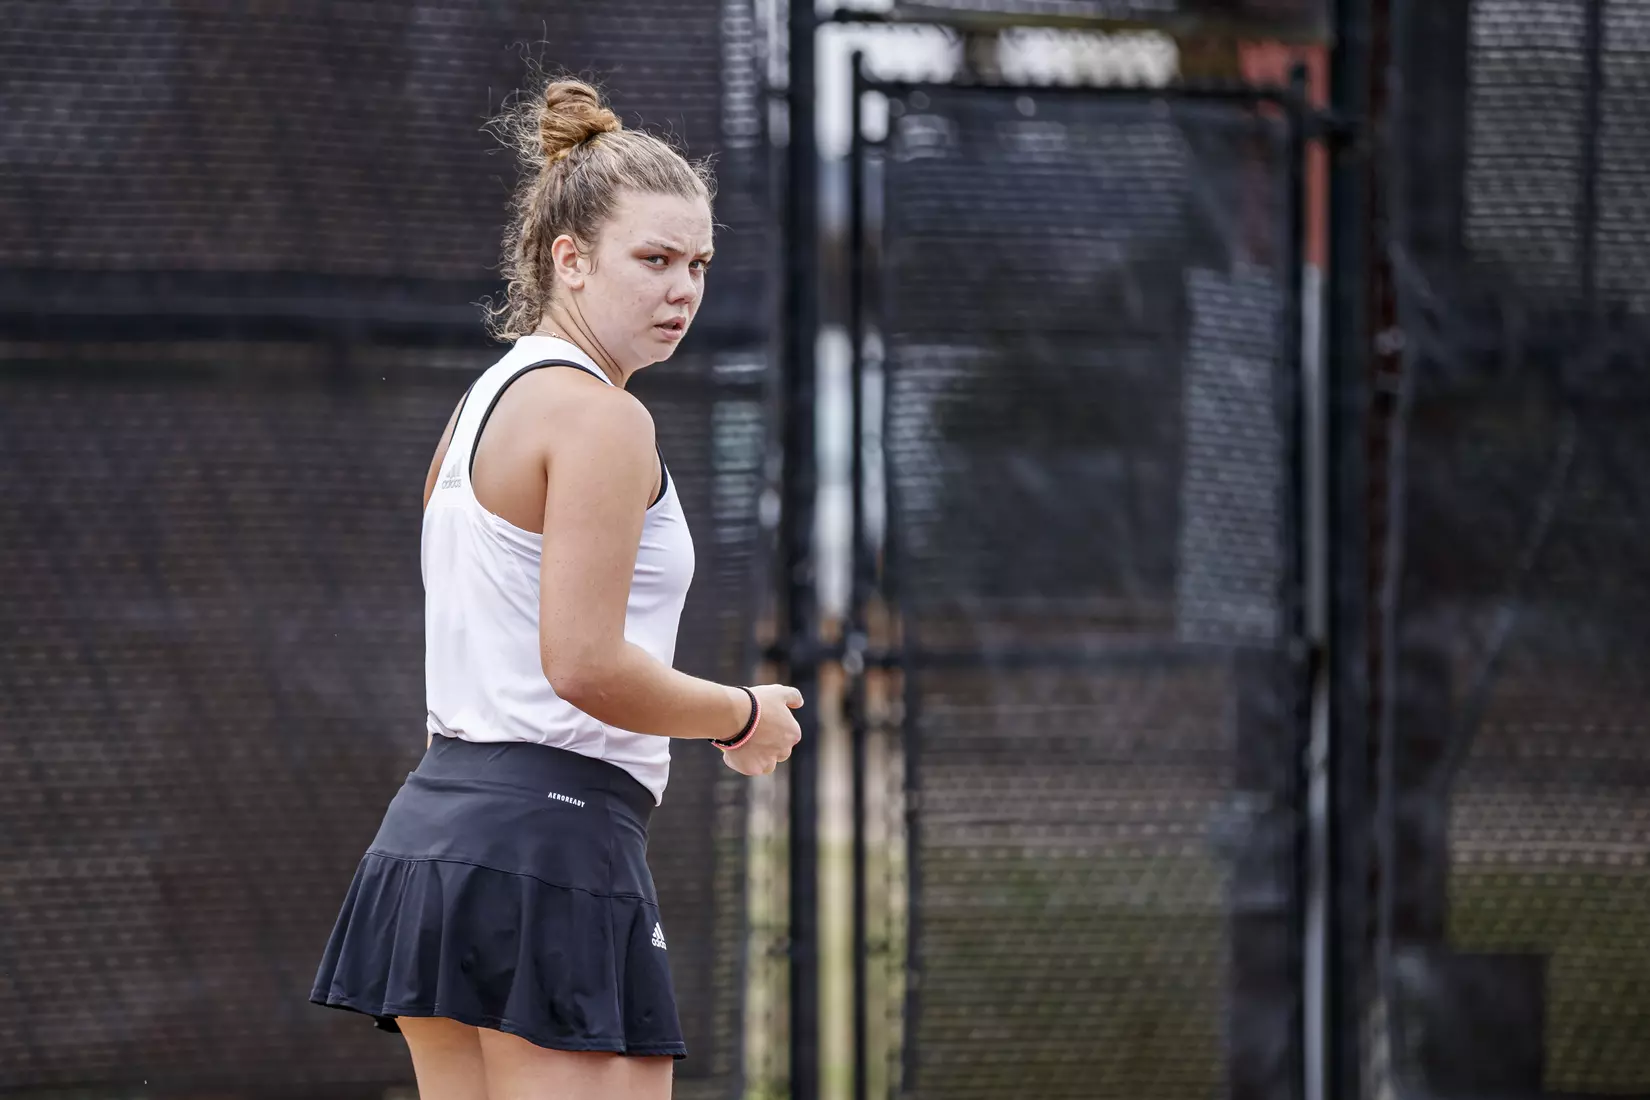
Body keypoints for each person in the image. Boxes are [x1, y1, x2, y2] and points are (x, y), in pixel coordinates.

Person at [310, 77, 804, 1100]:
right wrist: (741, 712)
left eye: (700, 264)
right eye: (655, 259)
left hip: (434, 835)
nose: (684, 289)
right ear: (568, 259)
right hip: (548, 839)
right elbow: (580, 662)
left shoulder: (481, 403)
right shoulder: (601, 417)